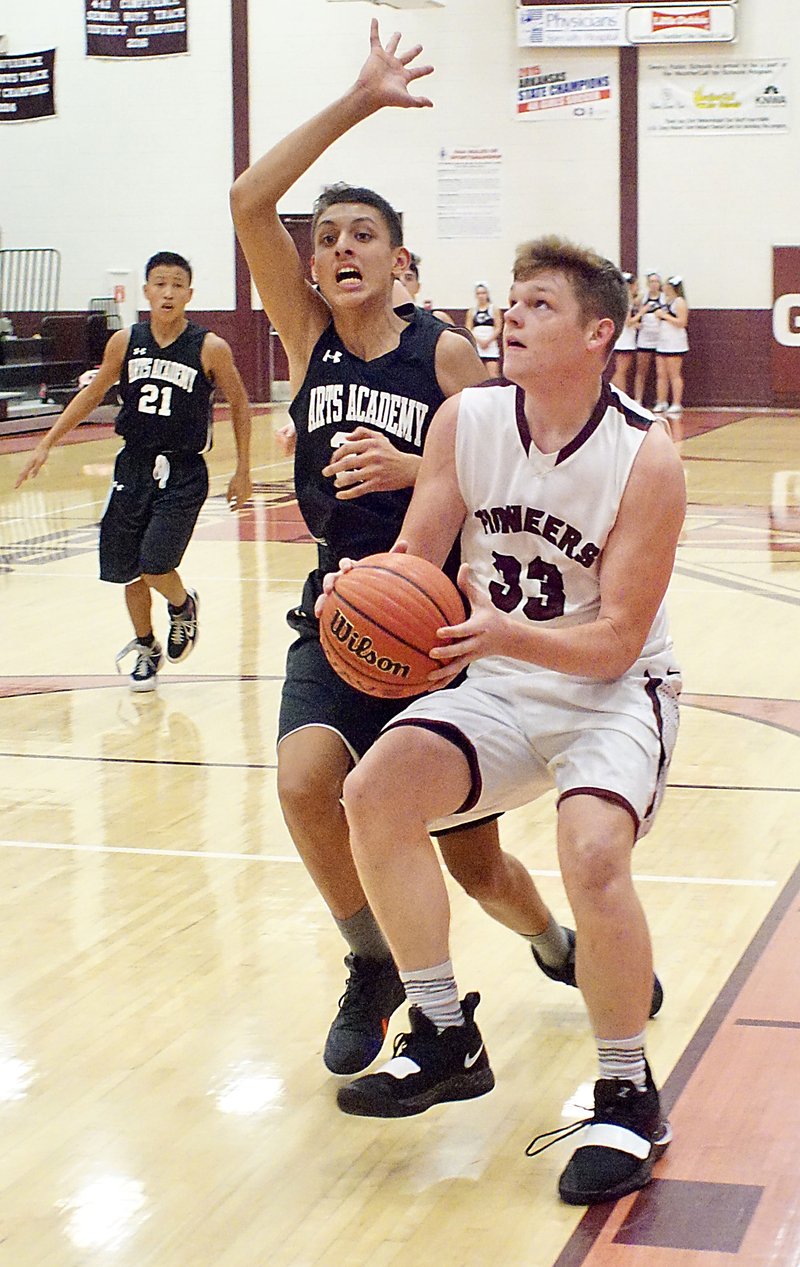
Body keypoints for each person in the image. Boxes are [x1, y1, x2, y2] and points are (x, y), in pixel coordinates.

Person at [229, 22, 628, 1080]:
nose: (340, 250)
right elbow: (246, 201)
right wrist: (359, 98)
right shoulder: (305, 336)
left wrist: (414, 472)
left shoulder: (444, 349)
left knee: (476, 863)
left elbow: (507, 464)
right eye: (328, 239)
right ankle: (372, 966)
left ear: (398, 257)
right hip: (342, 605)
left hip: (441, 621)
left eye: (361, 235)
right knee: (306, 780)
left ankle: (552, 945)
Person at [332, 234, 685, 1208]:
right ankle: (444, 1033)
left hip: (610, 693)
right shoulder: (467, 420)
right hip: (497, 671)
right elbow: (416, 550)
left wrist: (493, 634)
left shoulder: (642, 456)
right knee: (373, 792)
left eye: (536, 304)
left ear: (597, 332)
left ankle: (625, 1089)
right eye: (510, 302)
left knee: (591, 851)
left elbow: (614, 639)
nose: (509, 316)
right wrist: (366, 595)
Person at [15, 251, 253, 691]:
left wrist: (243, 470)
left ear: (189, 294)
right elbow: (93, 395)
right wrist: (47, 442)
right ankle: (146, 646)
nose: (168, 292)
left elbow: (239, 404)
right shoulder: (125, 342)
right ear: (147, 291)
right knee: (126, 569)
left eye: (177, 285)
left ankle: (182, 606)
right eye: (160, 284)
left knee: (156, 562)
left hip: (183, 470)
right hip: (134, 463)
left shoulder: (209, 347)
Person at [654, 275, 689, 416]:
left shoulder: (679, 302)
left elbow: (682, 322)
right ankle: (661, 401)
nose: (665, 288)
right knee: (661, 373)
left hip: (675, 343)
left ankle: (676, 403)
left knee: (674, 374)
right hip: (662, 341)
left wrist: (664, 316)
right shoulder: (664, 300)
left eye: (668, 285)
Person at [397, 253, 454, 325]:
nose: (402, 282)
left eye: (408, 278)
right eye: (397, 279)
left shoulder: (437, 319)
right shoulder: (381, 322)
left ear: (418, 287)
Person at [633, 271, 664, 405]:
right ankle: (638, 399)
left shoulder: (664, 298)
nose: (654, 284)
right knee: (641, 371)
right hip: (645, 338)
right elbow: (630, 311)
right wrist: (636, 324)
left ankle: (661, 400)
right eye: (651, 281)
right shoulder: (642, 298)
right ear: (647, 284)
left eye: (656, 281)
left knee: (661, 372)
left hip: (661, 338)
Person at [610, 272, 640, 396]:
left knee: (620, 370)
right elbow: (628, 322)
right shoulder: (626, 300)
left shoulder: (622, 299)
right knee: (621, 370)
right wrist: (641, 313)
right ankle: (619, 396)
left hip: (624, 338)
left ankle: (612, 394)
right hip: (625, 340)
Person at [466, 282, 503, 377]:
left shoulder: (493, 309)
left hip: (490, 345)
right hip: (477, 345)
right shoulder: (472, 311)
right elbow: (469, 328)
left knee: (493, 375)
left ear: (487, 294)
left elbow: (498, 328)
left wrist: (487, 341)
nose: (481, 296)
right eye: (478, 293)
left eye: (483, 293)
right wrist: (479, 341)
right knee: (477, 376)